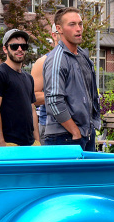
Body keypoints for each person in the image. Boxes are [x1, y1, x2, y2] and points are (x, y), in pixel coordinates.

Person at [42, 8, 101, 151]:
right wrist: (75, 131)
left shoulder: (82, 56)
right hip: (64, 136)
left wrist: (90, 126)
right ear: (59, 29)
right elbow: (54, 101)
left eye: (80, 24)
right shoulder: (57, 58)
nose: (78, 29)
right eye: (72, 24)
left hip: (85, 133)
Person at [0, 29, 38, 147]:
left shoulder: (29, 78)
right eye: (14, 46)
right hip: (9, 144)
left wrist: (37, 141)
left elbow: (32, 109)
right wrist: (1, 143)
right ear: (5, 49)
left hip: (31, 144)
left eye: (23, 46)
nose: (19, 49)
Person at [32, 24, 59, 129]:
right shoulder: (43, 62)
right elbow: (34, 97)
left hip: (81, 127)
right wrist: (61, 96)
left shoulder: (81, 60)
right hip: (51, 126)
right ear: (54, 35)